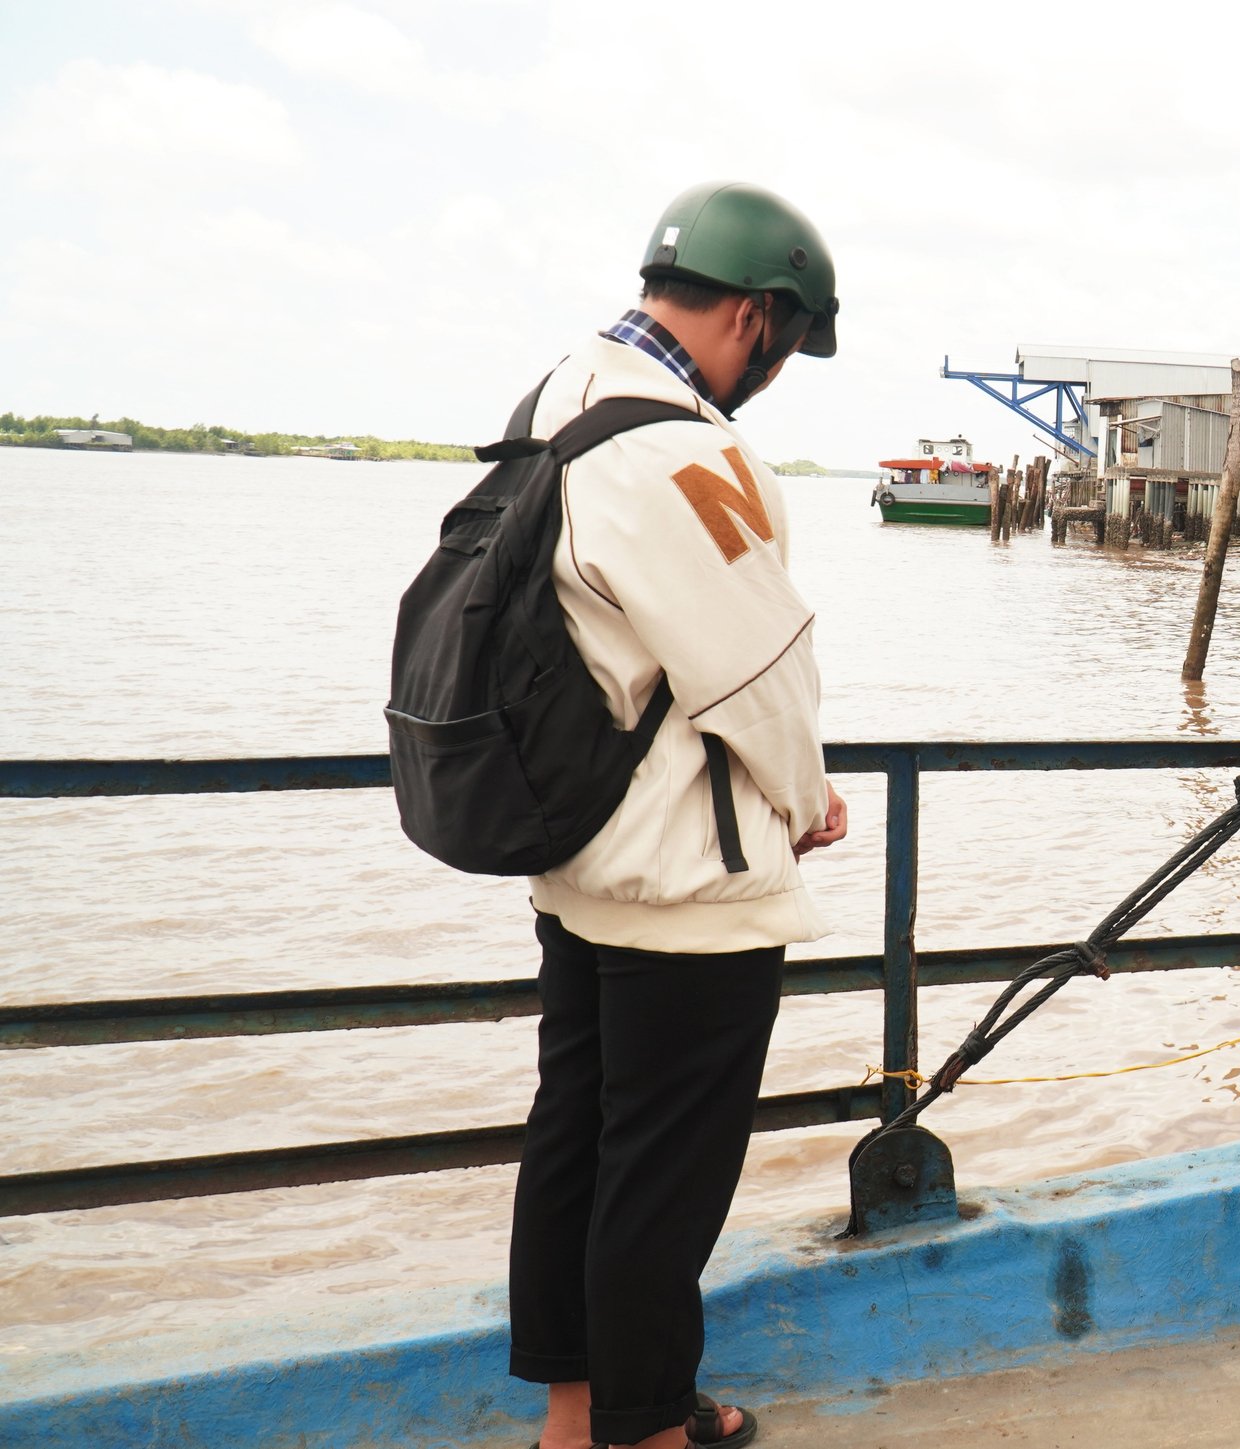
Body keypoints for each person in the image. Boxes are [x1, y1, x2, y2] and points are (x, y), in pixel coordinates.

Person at [507, 181, 847, 1449]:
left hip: (574, 844)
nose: (778, 371)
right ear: (755, 315)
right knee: (664, 1173)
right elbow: (754, 663)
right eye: (788, 344)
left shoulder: (558, 397)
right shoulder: (679, 448)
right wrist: (804, 790)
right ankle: (646, 1428)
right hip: (683, 881)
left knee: (577, 1141)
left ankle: (572, 1412)